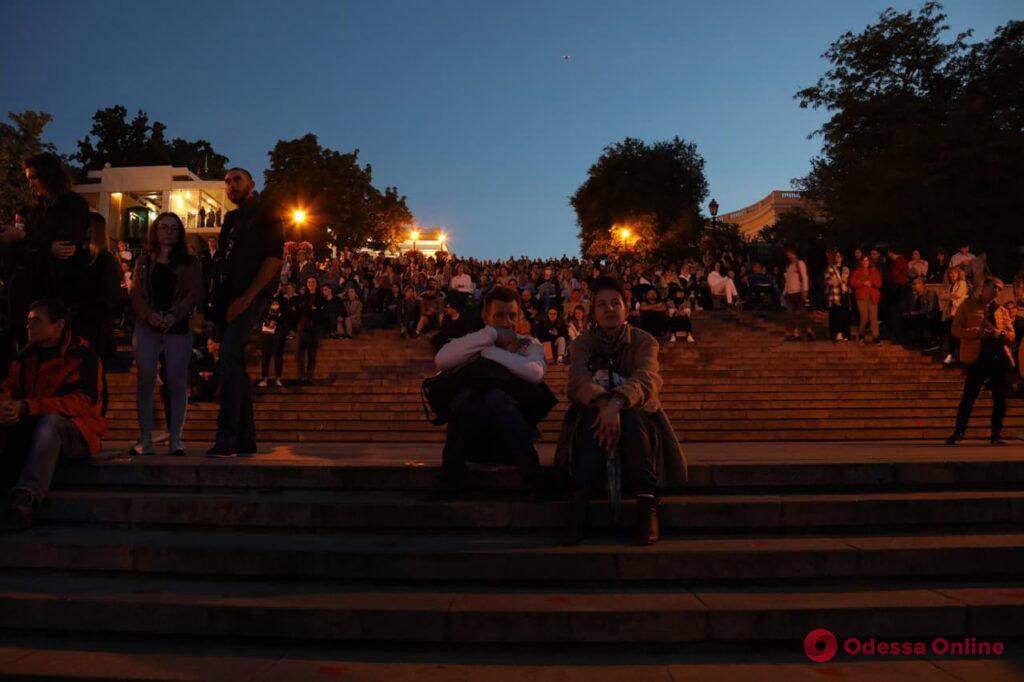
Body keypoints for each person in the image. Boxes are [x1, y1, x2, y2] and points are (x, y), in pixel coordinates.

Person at [556, 277, 687, 546]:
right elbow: (577, 382)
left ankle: (646, 502)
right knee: (592, 415)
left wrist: (617, 402)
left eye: (616, 303)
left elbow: (647, 378)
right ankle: (579, 503)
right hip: (595, 412)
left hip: (636, 413)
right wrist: (605, 404)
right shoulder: (582, 343)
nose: (609, 309)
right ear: (593, 311)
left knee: (631, 415)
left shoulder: (645, 341)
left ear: (626, 308)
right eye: (602, 304)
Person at [1, 299, 106, 532]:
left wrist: (29, 407)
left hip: (78, 434)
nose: (29, 326)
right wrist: (6, 406)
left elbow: (82, 402)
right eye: (28, 321)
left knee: (51, 424)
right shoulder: (26, 357)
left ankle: (25, 499)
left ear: (58, 325)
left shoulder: (84, 357)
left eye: (36, 320)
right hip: (32, 428)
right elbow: (9, 388)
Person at [432, 286, 548, 496]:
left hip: (512, 445)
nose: (507, 322)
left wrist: (490, 351)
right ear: (485, 317)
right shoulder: (476, 340)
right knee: (466, 399)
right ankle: (450, 478)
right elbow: (441, 360)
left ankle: (533, 477)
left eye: (512, 315)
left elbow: (535, 373)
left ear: (520, 316)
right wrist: (492, 335)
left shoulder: (528, 344)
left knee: (497, 398)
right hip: (472, 446)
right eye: (499, 316)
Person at [207, 168, 284, 458]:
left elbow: (275, 256)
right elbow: (224, 266)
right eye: (226, 181)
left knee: (228, 359)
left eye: (236, 180)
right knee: (234, 364)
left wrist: (248, 297)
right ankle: (245, 440)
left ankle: (226, 437)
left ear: (251, 184)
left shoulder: (266, 211)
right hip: (229, 299)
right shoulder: (230, 220)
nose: (230, 185)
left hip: (251, 297)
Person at [129, 213, 202, 456]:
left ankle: (176, 439)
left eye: (173, 228)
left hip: (176, 325)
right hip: (147, 323)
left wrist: (174, 315)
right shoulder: (144, 261)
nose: (168, 232)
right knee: (145, 381)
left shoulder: (191, 263)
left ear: (179, 232)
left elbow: (193, 293)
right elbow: (136, 293)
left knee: (178, 382)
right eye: (163, 227)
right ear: (155, 231)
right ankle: (145, 438)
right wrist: (148, 315)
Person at [946, 278, 1016, 446]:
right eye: (995, 288)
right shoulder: (967, 306)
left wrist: (1000, 334)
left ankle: (996, 434)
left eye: (1000, 289)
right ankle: (959, 432)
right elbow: (955, 330)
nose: (997, 292)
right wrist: (977, 333)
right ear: (985, 287)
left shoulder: (1001, 310)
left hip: (1000, 358)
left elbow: (1011, 335)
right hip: (978, 358)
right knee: (969, 396)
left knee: (1000, 399)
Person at [295, 276, 324, 384]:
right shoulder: (303, 297)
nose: (311, 283)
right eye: (309, 282)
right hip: (303, 326)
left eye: (312, 282)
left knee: (312, 354)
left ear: (316, 283)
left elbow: (320, 311)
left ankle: (309, 376)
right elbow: (300, 310)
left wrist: (312, 310)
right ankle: (301, 376)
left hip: (314, 327)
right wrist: (310, 309)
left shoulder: (320, 297)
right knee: (299, 353)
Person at [939, 266, 969, 365]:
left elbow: (958, 295)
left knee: (955, 335)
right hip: (950, 313)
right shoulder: (950, 285)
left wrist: (947, 296)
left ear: (958, 274)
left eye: (954, 273)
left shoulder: (962, 283)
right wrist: (949, 295)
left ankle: (954, 356)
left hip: (957, 312)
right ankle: (951, 355)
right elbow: (942, 296)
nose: (952, 275)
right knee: (949, 334)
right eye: (950, 273)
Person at [850, 255, 882, 343]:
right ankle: (861, 334)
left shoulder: (874, 271)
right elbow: (852, 282)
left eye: (867, 260)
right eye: (863, 260)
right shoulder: (857, 271)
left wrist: (872, 282)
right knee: (864, 317)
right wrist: (863, 283)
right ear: (861, 262)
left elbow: (879, 284)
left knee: (873, 318)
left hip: (872, 296)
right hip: (862, 296)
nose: (865, 262)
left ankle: (876, 336)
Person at [782, 248, 812, 340]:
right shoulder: (790, 266)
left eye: (790, 253)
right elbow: (787, 281)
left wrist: (805, 289)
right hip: (790, 293)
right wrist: (784, 293)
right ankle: (795, 332)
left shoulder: (800, 263)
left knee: (802, 313)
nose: (789, 255)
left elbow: (804, 276)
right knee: (791, 314)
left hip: (798, 291)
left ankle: (808, 331)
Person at [257, 297, 287, 387]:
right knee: (265, 356)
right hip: (266, 332)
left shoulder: (282, 306)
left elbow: (285, 317)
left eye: (276, 304)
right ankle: (265, 379)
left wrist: (276, 322)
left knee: (278, 356)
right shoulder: (265, 306)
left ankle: (278, 378)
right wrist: (268, 322)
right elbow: (261, 316)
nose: (275, 305)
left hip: (278, 333)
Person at [824, 252, 851, 342]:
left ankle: (845, 334)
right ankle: (836, 334)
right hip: (835, 294)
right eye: (837, 256)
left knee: (844, 314)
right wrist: (838, 281)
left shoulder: (845, 268)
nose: (838, 258)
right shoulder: (831, 268)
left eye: (840, 256)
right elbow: (829, 281)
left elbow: (846, 280)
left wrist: (838, 280)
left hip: (844, 294)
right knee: (836, 315)